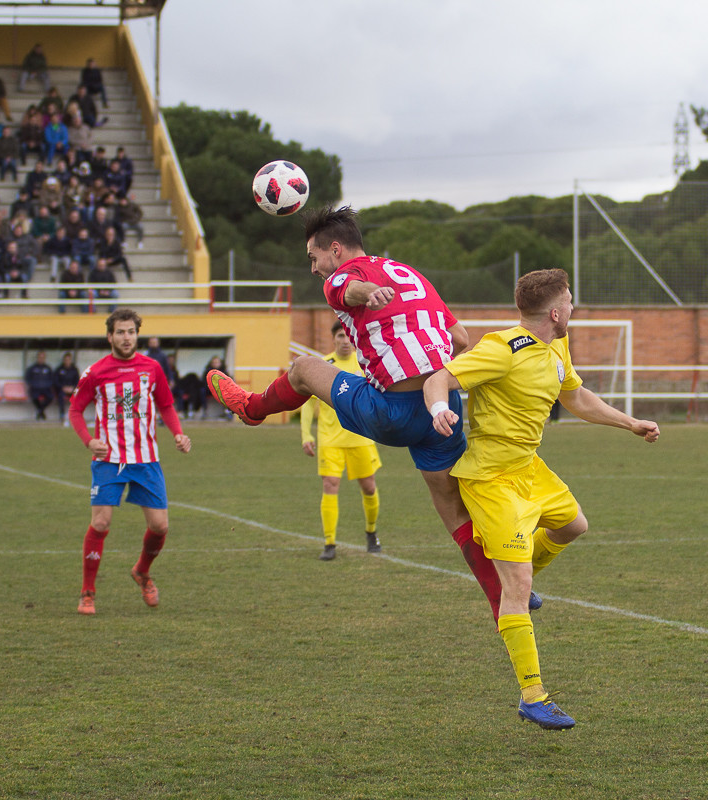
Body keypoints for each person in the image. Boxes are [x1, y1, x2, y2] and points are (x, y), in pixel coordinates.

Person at [207, 205, 516, 618]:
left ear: (335, 250)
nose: (314, 268)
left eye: (313, 258)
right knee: (452, 505)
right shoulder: (412, 275)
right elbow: (460, 337)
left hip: (390, 410)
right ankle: (502, 599)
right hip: (441, 409)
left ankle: (251, 408)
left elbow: (346, 289)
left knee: (303, 368)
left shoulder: (344, 277)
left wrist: (365, 295)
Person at [423, 268, 660, 730]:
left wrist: (630, 423)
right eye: (570, 301)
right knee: (515, 585)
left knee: (574, 526)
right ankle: (533, 695)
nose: (573, 308)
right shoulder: (500, 349)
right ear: (556, 311)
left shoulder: (557, 345)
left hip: (529, 467)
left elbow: (577, 398)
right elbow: (439, 378)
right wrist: (438, 410)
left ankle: (521, 581)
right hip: (491, 478)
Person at [68, 308, 191, 615]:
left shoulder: (152, 368)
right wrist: (89, 441)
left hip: (146, 459)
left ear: (138, 335)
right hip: (108, 459)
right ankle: (87, 592)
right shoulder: (96, 372)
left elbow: (165, 404)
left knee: (160, 526)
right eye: (120, 332)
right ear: (110, 336)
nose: (126, 338)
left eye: (131, 332)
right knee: (101, 522)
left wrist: (178, 434)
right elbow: (75, 410)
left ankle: (142, 571)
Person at [300, 321, 383, 560]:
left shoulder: (366, 364)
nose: (345, 341)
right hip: (330, 441)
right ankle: (329, 543)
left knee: (369, 488)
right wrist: (306, 434)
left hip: (362, 438)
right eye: (340, 336)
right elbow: (308, 403)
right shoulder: (324, 366)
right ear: (333, 339)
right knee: (329, 486)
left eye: (348, 336)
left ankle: (371, 531)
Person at [25, 350, 54, 420]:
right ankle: (41, 412)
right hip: (35, 388)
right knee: (34, 396)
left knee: (51, 397)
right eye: (40, 357)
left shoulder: (48, 368)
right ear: (37, 358)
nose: (41, 359)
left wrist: (47, 385)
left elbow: (52, 379)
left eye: (43, 357)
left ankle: (40, 410)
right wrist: (33, 384)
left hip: (46, 388)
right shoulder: (32, 368)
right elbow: (27, 378)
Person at [54, 351, 80, 424]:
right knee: (60, 396)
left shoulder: (74, 369)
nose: (67, 361)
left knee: (78, 396)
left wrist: (73, 388)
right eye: (66, 360)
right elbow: (56, 381)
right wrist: (63, 387)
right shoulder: (59, 369)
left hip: (72, 389)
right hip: (62, 390)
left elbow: (78, 381)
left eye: (69, 360)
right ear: (63, 360)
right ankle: (62, 414)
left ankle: (76, 414)